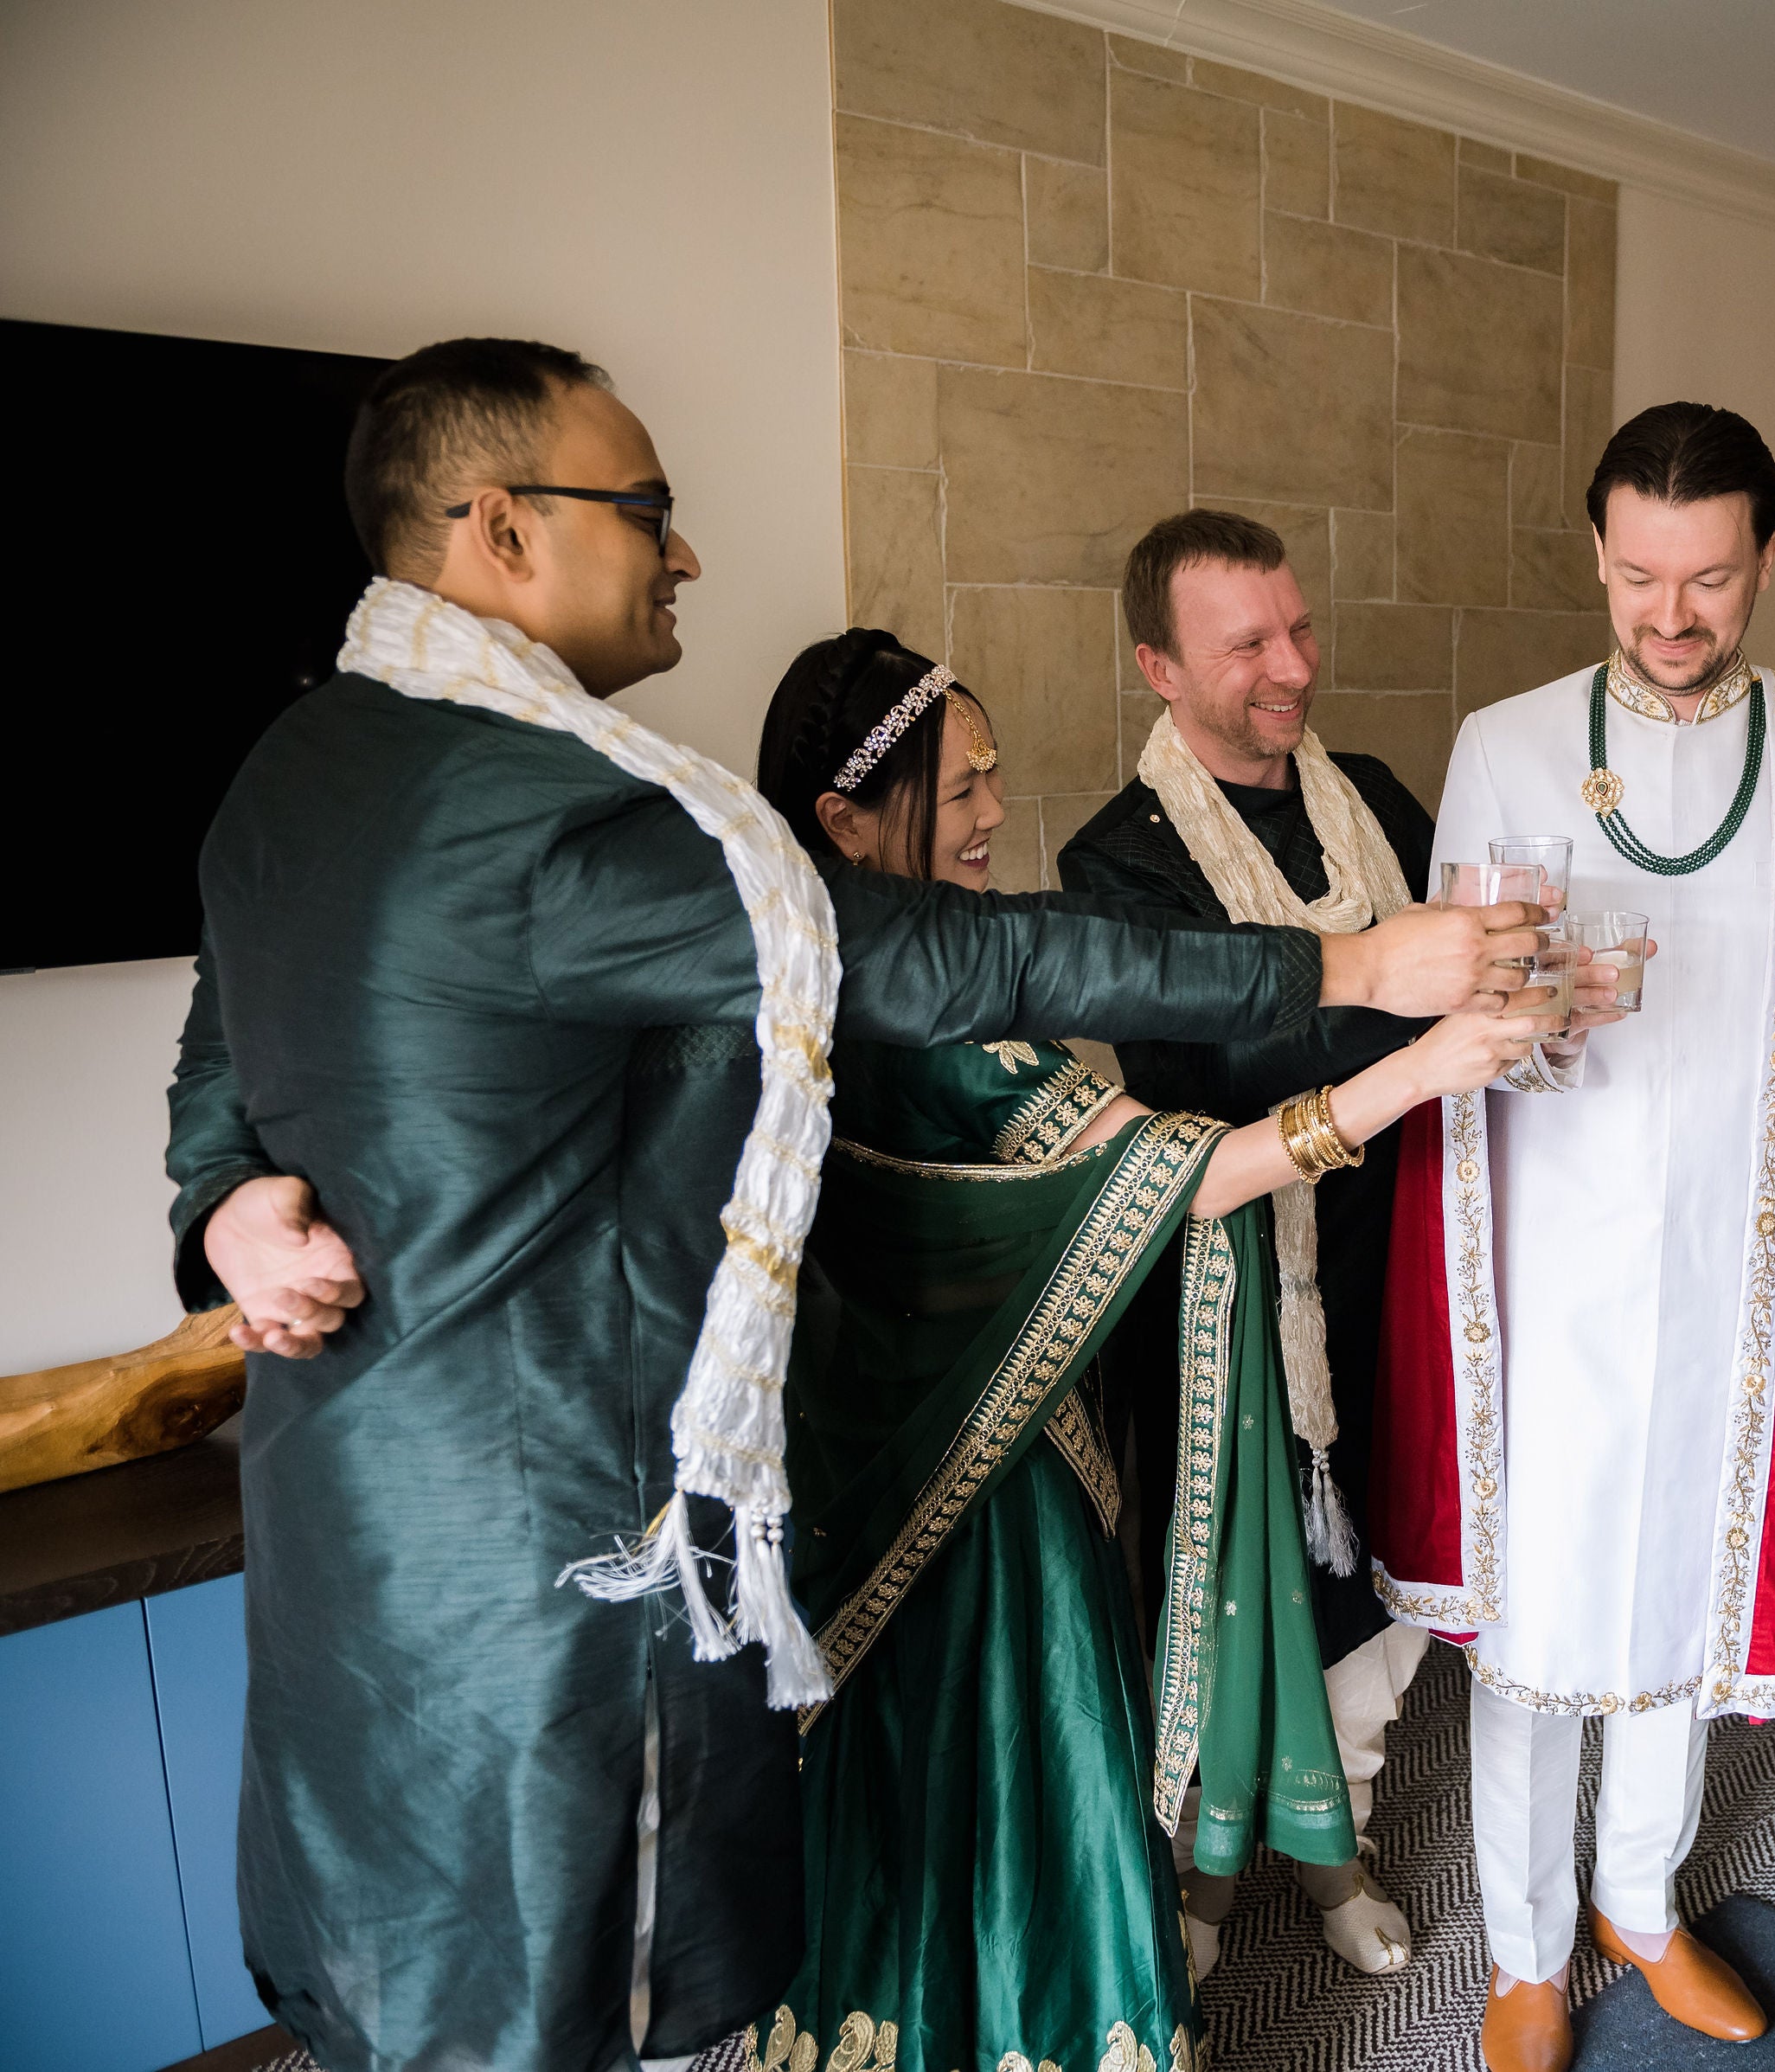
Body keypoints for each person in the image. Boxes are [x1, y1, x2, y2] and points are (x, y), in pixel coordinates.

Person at [161, 337, 1534, 2072]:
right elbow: (938, 954)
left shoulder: (298, 765)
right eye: (648, 508)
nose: (686, 553)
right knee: (553, 1981)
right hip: (542, 1549)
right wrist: (1345, 960)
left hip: (348, 1513)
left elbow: (226, 1037)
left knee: (417, 1953)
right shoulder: (543, 816)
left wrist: (222, 1200)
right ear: (502, 530)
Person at [753, 629, 1552, 2072]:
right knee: (1025, 1754)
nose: (996, 812)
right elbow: (1179, 1174)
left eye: (995, 776)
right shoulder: (949, 1025)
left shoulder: (794, 977)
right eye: (963, 788)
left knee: (899, 1788)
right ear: (848, 823)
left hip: (853, 1461)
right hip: (991, 1494)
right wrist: (1422, 1066)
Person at [1368, 401, 1775, 2072]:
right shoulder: (1508, 741)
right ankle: (1528, 1951)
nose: (1671, 619)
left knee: (1691, 1578)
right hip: (1541, 1250)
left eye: (1709, 582)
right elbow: (1468, 1005)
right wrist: (1539, 1012)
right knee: (1539, 1616)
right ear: (1599, 555)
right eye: (1636, 579)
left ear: (1765, 558)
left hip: (1739, 1259)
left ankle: (1643, 1908)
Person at [1058, 509, 1449, 1977]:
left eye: (1299, 627)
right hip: (1234, 1289)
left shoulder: (1384, 801)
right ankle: (1206, 1883)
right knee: (1238, 1596)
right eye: (1249, 645)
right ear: (1160, 667)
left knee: (1384, 1586)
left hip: (1393, 1260)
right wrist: (1414, 1007)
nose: (1293, 666)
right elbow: (1213, 1069)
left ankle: (1338, 1839)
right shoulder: (1120, 865)